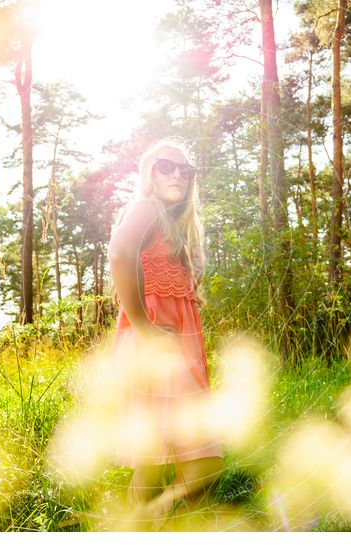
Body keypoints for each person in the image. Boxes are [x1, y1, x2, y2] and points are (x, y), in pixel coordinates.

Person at [108, 138, 224, 525]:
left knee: (167, 459)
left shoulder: (177, 226)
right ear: (149, 174)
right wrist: (143, 326)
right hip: (153, 348)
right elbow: (120, 254)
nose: (177, 174)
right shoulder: (145, 209)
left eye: (185, 170)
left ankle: (154, 527)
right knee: (191, 459)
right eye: (166, 166)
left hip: (175, 349)